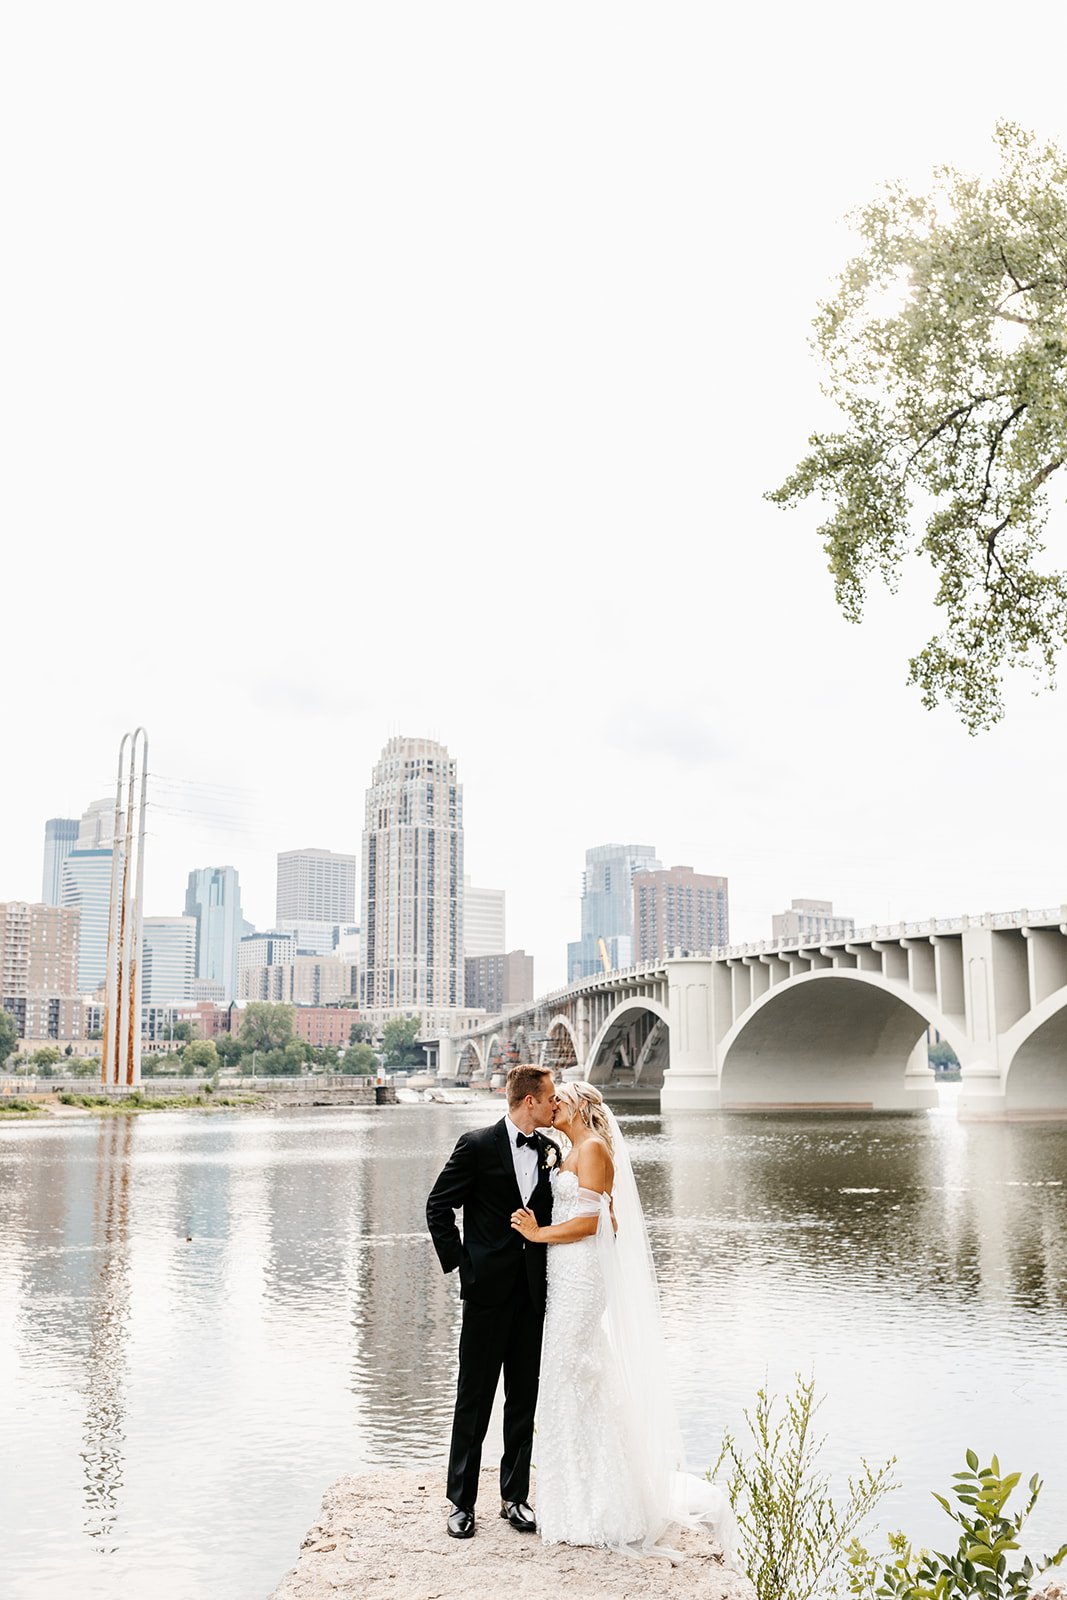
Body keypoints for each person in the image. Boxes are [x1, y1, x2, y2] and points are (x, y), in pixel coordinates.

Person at [510, 1080, 736, 1561]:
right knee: (570, 1375)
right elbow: (604, 1216)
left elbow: (590, 1222)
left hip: (580, 1275)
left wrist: (535, 1233)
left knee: (570, 1370)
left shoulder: (592, 1149)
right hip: (564, 1269)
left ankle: (598, 1505)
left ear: (579, 1107)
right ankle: (573, 1494)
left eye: (559, 1098)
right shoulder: (570, 1150)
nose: (552, 1104)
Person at [425, 1063, 559, 1540]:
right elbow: (438, 1206)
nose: (553, 1105)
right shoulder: (476, 1145)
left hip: (531, 1293)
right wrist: (464, 1263)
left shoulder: (549, 1151)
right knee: (474, 1398)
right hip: (486, 1294)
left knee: (523, 1397)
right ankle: (461, 1502)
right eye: (549, 1098)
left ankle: (514, 1498)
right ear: (529, 1101)